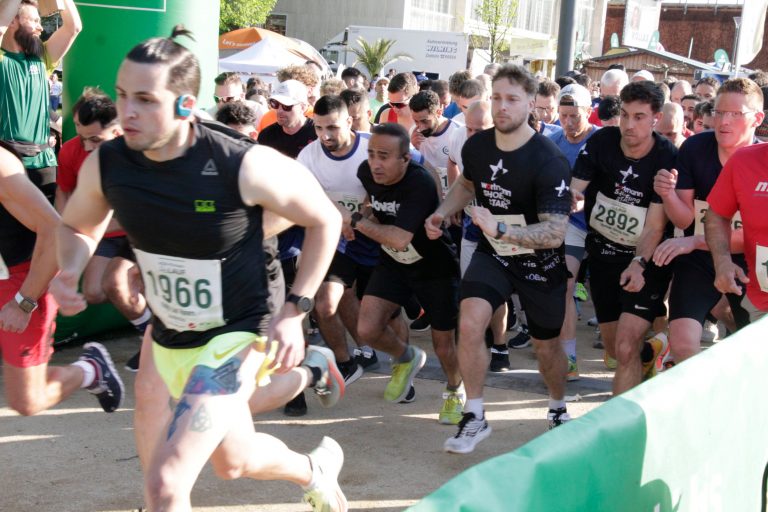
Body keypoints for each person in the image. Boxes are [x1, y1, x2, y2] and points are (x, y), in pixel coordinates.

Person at [50, 27, 348, 511]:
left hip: (237, 331)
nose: (127, 112)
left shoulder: (241, 163)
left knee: (165, 485)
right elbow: (77, 227)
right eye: (123, 95)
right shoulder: (109, 163)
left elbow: (325, 219)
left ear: (186, 105)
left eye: (146, 100)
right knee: (234, 461)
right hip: (169, 330)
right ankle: (315, 471)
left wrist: (296, 309)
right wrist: (70, 269)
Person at [426, 64, 572, 453]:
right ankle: (474, 414)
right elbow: (467, 183)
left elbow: (555, 233)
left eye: (512, 99)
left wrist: (501, 229)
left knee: (546, 348)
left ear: (531, 104)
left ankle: (557, 405)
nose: (502, 107)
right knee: (470, 320)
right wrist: (442, 211)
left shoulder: (549, 159)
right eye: (497, 98)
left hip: (540, 263)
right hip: (494, 255)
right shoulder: (477, 146)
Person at [350, 123, 464, 423]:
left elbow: (400, 238)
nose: (375, 163)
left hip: (434, 266)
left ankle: (455, 390)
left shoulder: (419, 183)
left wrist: (356, 222)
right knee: (367, 329)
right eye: (371, 154)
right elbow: (372, 204)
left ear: (405, 159)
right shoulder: (366, 172)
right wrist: (364, 214)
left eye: (384, 156)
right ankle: (406, 356)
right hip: (393, 263)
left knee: (444, 345)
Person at [0, 140, 124, 417]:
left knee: (27, 401)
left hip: (21, 279)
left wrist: (23, 302)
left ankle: (89, 370)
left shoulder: (2, 165)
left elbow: (53, 229)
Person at [571, 80, 677, 395]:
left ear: (656, 118)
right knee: (616, 350)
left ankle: (623, 418)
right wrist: (571, 200)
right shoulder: (602, 141)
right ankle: (652, 352)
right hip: (602, 253)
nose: (629, 125)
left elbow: (655, 226)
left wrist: (639, 263)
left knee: (626, 344)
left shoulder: (666, 156)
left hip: (646, 258)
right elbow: (575, 189)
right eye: (625, 115)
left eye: (639, 117)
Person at [656, 78, 764, 360]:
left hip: (750, 261)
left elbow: (754, 236)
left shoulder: (758, 161)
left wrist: (696, 242)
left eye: (735, 114)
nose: (723, 121)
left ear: (757, 119)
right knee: (683, 344)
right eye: (719, 112)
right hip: (699, 256)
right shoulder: (695, 148)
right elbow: (687, 220)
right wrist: (668, 195)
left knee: (751, 350)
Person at [55, 88, 150, 371]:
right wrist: (67, 231)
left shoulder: (139, 150)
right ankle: (153, 333)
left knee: (120, 282)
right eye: (81, 136)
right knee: (96, 291)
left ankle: (153, 339)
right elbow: (65, 196)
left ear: (117, 131)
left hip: (146, 233)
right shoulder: (74, 151)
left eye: (95, 139)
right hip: (106, 233)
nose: (86, 147)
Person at [297, 95, 386, 382]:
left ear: (349, 121)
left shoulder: (374, 146)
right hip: (338, 239)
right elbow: (306, 197)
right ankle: (346, 362)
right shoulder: (308, 156)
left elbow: (417, 171)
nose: (325, 136)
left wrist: (367, 213)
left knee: (389, 313)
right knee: (325, 303)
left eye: (332, 127)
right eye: (318, 128)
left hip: (381, 237)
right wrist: (341, 218)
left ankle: (397, 363)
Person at [258, 79, 318, 416]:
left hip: (307, 229)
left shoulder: (314, 134)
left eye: (287, 106)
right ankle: (287, 377)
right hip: (274, 229)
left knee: (295, 309)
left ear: (303, 107)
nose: (279, 111)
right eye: (274, 105)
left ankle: (298, 385)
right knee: (274, 307)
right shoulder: (267, 136)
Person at [548, 84, 599, 381]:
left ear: (589, 111)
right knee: (565, 286)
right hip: (571, 226)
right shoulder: (552, 142)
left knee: (608, 293)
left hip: (604, 228)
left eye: (574, 116)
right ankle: (568, 358)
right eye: (563, 115)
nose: (567, 122)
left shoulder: (603, 140)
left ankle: (614, 343)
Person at [0, 0, 81, 176]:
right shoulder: (2, 58)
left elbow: (73, 27)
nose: (41, 28)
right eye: (35, 21)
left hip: (43, 163)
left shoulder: (42, 57)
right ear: (13, 21)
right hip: (6, 165)